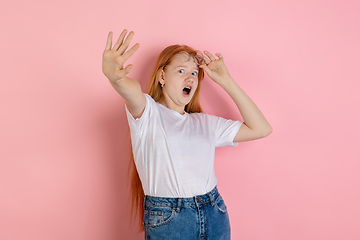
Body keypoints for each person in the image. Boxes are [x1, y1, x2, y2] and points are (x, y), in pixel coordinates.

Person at [102, 29, 272, 240]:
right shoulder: (148, 112)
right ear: (162, 76)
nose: (190, 77)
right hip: (169, 220)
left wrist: (225, 80)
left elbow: (261, 128)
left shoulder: (204, 123)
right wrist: (115, 78)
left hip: (213, 212)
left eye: (194, 73)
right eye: (181, 71)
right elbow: (131, 91)